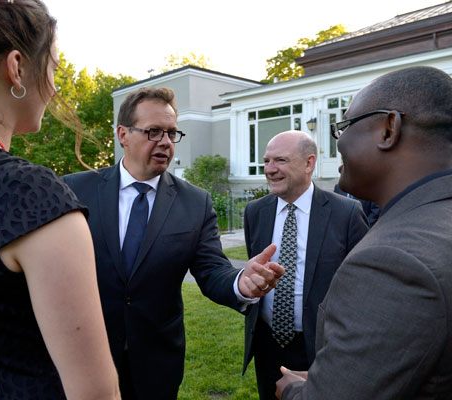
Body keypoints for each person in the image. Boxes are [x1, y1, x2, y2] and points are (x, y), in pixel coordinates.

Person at [63, 86, 284, 400]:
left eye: (171, 133)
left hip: (156, 362)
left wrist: (240, 282)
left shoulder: (194, 202)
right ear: (123, 134)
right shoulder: (76, 189)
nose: (165, 142)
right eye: (154, 132)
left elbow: (211, 270)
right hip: (84, 354)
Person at [0, 1, 120, 399]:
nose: (55, 87)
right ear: (17, 67)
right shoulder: (30, 195)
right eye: (53, 68)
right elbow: (95, 394)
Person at [276, 66, 452, 399]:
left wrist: (295, 390)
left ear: (389, 129)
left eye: (342, 127)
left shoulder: (392, 263)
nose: (338, 141)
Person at [242, 131, 369, 400]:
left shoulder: (346, 213)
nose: (270, 170)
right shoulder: (255, 212)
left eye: (280, 160)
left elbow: (364, 286)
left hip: (322, 346)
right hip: (267, 342)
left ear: (309, 163)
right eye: (266, 161)